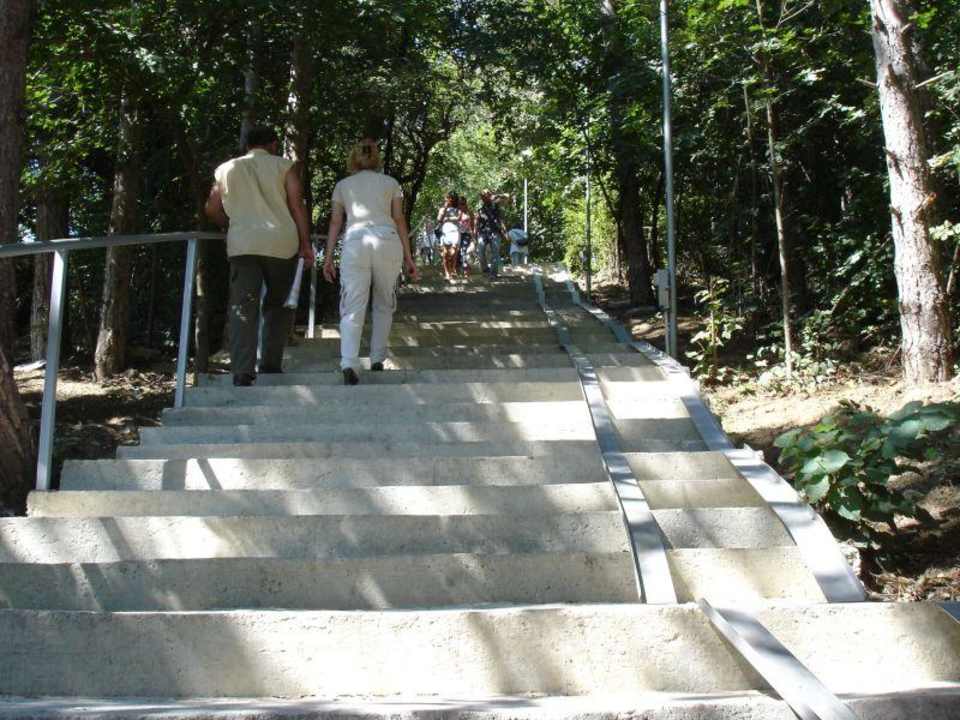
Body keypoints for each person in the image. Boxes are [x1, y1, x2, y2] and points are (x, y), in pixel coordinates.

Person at [205, 125, 315, 387]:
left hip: (243, 243)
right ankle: (270, 364)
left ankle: (242, 370)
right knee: (277, 306)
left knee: (243, 306)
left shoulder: (225, 169)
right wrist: (305, 243)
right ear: (273, 144)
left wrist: (229, 224)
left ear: (246, 145)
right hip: (281, 243)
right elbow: (296, 204)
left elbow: (211, 208)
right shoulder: (284, 166)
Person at [322, 137, 418, 386]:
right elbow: (399, 220)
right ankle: (377, 358)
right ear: (377, 158)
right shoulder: (391, 183)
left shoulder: (343, 185)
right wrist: (408, 257)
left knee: (352, 304)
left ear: (353, 158)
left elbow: (336, 222)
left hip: (356, 242)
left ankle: (349, 362)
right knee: (385, 302)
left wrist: (329, 256)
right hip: (387, 241)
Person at [475, 189, 507, 278]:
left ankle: (493, 273)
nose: (483, 197)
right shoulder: (481, 209)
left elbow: (507, 196)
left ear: (489, 195)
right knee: (480, 251)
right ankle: (485, 269)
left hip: (495, 232)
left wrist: (495, 195)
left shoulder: (496, 205)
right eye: (482, 196)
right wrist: (475, 232)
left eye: (485, 195)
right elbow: (477, 222)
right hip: (483, 232)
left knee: (495, 253)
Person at [436, 192, 462, 281]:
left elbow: (459, 217)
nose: (449, 199)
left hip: (455, 232)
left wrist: (447, 218)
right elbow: (439, 219)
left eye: (451, 198)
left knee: (453, 253)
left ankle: (452, 269)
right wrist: (445, 208)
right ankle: (447, 274)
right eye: (448, 198)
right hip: (445, 232)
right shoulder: (442, 209)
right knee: (445, 254)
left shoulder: (458, 208)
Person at [457, 196, 475, 277]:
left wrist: (473, 234)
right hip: (457, 234)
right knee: (457, 252)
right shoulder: (456, 212)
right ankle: (459, 268)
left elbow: (473, 224)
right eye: (459, 204)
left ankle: (465, 269)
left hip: (466, 234)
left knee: (463, 250)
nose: (461, 205)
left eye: (463, 204)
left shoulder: (469, 212)